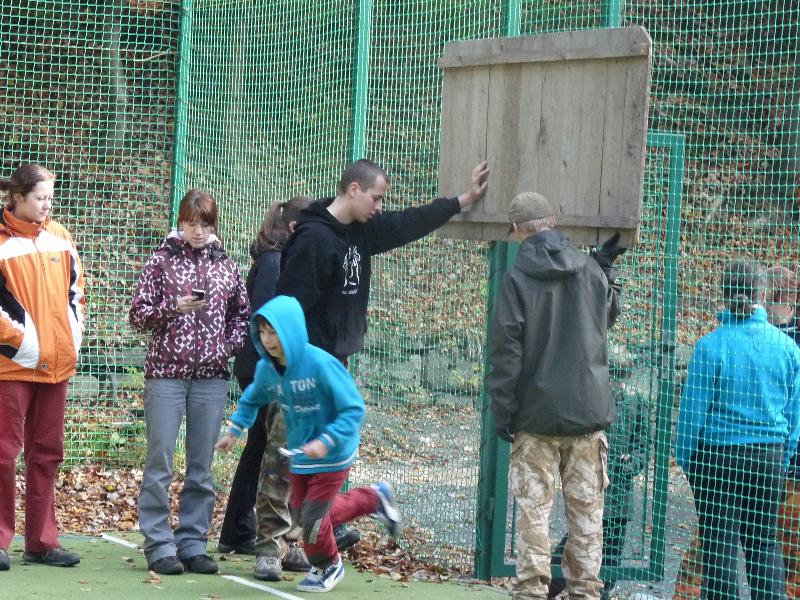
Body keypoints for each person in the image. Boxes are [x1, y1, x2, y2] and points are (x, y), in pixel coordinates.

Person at [275, 158, 489, 546]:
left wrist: (463, 199)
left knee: (318, 460)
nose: (379, 207)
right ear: (353, 190)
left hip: (334, 363)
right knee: (291, 460)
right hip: (306, 364)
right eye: (375, 198)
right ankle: (292, 539)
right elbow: (288, 308)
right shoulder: (313, 239)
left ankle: (326, 529)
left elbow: (411, 222)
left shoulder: (364, 231)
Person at [216, 295, 402, 593]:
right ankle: (374, 499)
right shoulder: (268, 369)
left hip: (335, 453)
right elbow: (252, 399)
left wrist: (327, 440)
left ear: (291, 329)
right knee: (306, 517)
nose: (268, 339)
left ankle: (328, 564)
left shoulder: (320, 364)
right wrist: (234, 430)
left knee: (313, 520)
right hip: (300, 453)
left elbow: (354, 408)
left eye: (274, 332)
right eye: (262, 332)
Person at [487, 192, 623, 599]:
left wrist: (503, 411)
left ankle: (530, 589)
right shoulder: (586, 267)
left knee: (534, 511)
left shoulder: (516, 278)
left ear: (517, 231)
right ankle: (584, 590)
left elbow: (505, 350)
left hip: (535, 416)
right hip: (587, 414)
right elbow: (608, 316)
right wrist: (606, 267)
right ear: (553, 220)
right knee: (586, 514)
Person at [129, 189, 249, 576]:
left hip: (211, 377)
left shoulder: (227, 266)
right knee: (160, 460)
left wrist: (224, 347)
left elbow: (242, 317)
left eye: (205, 224)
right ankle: (159, 543)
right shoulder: (160, 262)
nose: (197, 231)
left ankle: (193, 542)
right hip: (165, 373)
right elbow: (137, 315)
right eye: (191, 223)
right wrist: (172, 309)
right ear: (180, 222)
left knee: (202, 464)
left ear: (214, 226)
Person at [674, 261, 800, 600]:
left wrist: (688, 461)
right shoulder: (789, 349)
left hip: (718, 457)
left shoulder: (709, 347)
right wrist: (782, 458)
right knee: (764, 542)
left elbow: (691, 416)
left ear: (722, 293)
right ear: (761, 293)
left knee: (719, 546)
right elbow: (795, 416)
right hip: (768, 457)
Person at [217, 195, 312, 581]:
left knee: (260, 448)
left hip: (264, 367)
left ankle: (238, 531)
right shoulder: (274, 262)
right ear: (293, 228)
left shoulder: (275, 258)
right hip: (262, 369)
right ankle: (246, 531)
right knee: (267, 451)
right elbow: (266, 321)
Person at [0, 163, 85, 570]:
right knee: (3, 454)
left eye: (51, 197)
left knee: (47, 453)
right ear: (16, 197)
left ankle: (42, 541)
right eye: (40, 197)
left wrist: (74, 338)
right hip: (11, 367)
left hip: (57, 367)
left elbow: (77, 293)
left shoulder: (62, 237)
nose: (47, 205)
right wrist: (21, 345)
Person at [548, 377, 649, 599]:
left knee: (611, 556)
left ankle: (603, 593)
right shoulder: (590, 397)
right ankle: (548, 588)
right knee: (573, 546)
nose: (615, 383)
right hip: (589, 489)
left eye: (620, 377)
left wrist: (632, 461)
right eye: (612, 376)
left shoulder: (636, 404)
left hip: (618, 497)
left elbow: (642, 446)